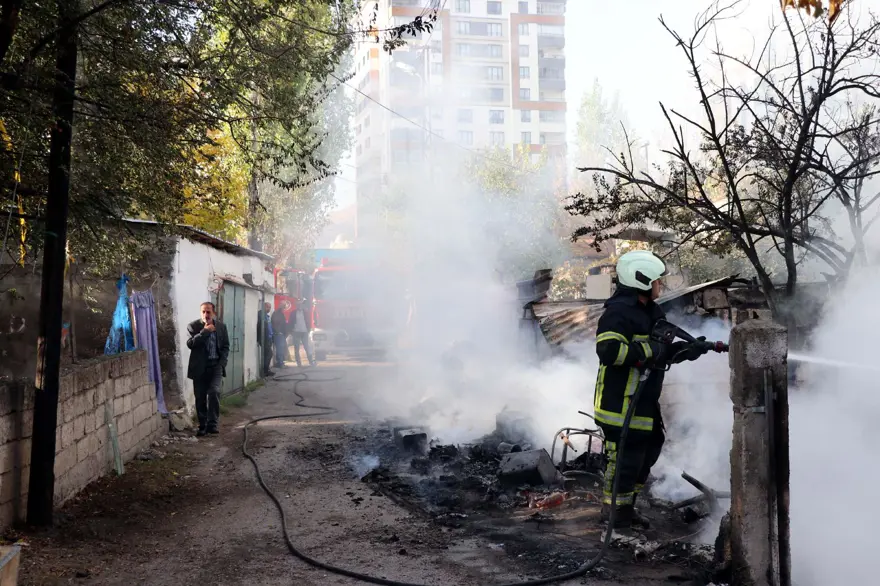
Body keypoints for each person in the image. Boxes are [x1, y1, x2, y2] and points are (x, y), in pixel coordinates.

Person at [593, 250, 709, 535]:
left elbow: (663, 351)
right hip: (619, 403)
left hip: (643, 401)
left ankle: (625, 510)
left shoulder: (651, 312)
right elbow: (608, 350)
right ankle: (615, 520)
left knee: (650, 450)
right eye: (658, 280)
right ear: (641, 280)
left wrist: (688, 350)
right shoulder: (618, 312)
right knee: (624, 460)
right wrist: (651, 350)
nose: (661, 284)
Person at [186, 302, 230, 437]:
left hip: (215, 366)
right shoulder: (193, 326)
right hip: (199, 368)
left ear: (214, 313)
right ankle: (203, 425)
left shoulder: (221, 327)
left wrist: (222, 363)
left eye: (208, 312)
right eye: (203, 312)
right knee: (200, 398)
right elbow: (191, 344)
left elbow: (225, 346)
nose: (206, 315)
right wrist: (204, 332)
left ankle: (213, 424)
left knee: (214, 392)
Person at [290, 298, 316, 367]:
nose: (299, 306)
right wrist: (291, 331)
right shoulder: (293, 313)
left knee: (307, 347)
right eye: (298, 305)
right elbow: (290, 322)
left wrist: (309, 329)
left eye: (300, 304)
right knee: (296, 348)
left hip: (304, 332)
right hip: (296, 332)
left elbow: (309, 321)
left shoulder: (305, 312)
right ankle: (299, 364)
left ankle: (311, 362)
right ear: (296, 305)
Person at [257, 302, 274, 377]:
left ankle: (266, 370)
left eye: (270, 307)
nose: (269, 309)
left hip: (269, 338)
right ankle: (265, 371)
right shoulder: (261, 314)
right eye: (267, 307)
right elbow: (261, 326)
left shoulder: (267, 316)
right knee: (269, 354)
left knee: (266, 355)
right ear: (263, 307)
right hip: (264, 338)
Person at [271, 302, 289, 369]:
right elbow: (275, 323)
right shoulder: (277, 314)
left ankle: (280, 362)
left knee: (281, 349)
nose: (285, 309)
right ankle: (280, 363)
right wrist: (278, 332)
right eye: (284, 307)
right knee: (280, 349)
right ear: (282, 307)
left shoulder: (280, 313)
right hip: (279, 334)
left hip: (281, 334)